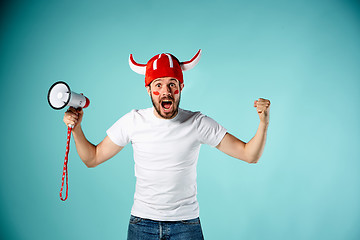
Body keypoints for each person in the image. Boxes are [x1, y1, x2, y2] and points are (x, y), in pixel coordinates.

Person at [64, 50, 270, 240]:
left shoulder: (197, 123)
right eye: (158, 85)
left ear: (181, 87)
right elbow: (92, 158)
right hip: (142, 224)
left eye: (172, 84)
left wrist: (263, 123)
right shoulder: (133, 121)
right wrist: (77, 128)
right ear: (148, 89)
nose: (166, 91)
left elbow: (249, 155)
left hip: (186, 225)